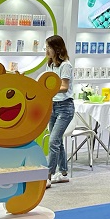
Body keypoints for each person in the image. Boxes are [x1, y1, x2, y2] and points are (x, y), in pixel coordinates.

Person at [43, 35, 74, 186]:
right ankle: (63, 173)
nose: (46, 50)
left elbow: (64, 87)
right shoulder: (50, 65)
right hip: (52, 106)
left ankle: (48, 176)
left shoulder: (65, 65)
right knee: (58, 141)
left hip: (65, 107)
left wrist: (49, 89)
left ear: (57, 49)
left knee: (53, 141)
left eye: (49, 47)